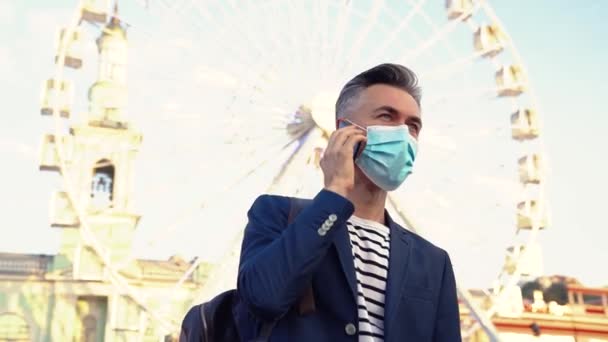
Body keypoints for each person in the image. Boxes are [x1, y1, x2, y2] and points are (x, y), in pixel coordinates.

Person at [234, 63, 461, 341]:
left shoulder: (433, 262)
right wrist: (335, 192)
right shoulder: (278, 214)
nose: (403, 134)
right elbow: (262, 298)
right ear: (343, 130)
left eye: (413, 126)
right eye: (387, 116)